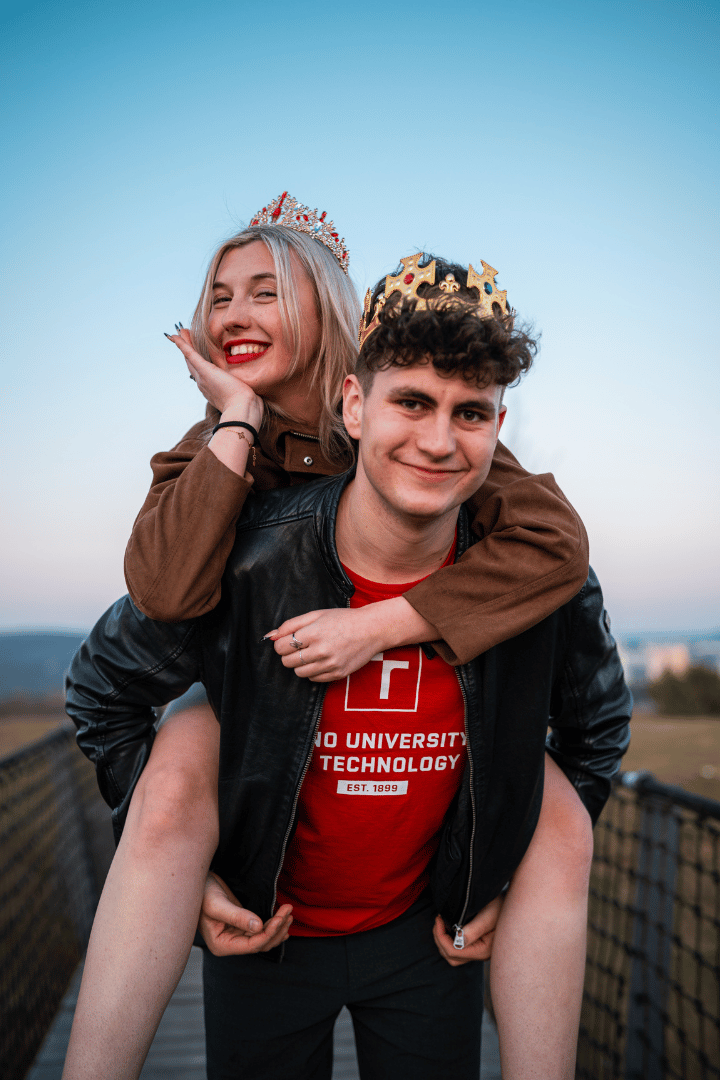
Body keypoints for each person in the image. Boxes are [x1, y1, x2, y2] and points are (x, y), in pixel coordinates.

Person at [66, 254, 632, 1080]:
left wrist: (518, 871)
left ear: (497, 425)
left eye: (470, 413)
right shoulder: (249, 546)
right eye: (412, 403)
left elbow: (594, 727)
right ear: (355, 404)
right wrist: (188, 875)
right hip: (267, 924)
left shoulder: (530, 565)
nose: (438, 440)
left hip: (426, 935)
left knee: (559, 819)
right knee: (184, 746)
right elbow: (113, 674)